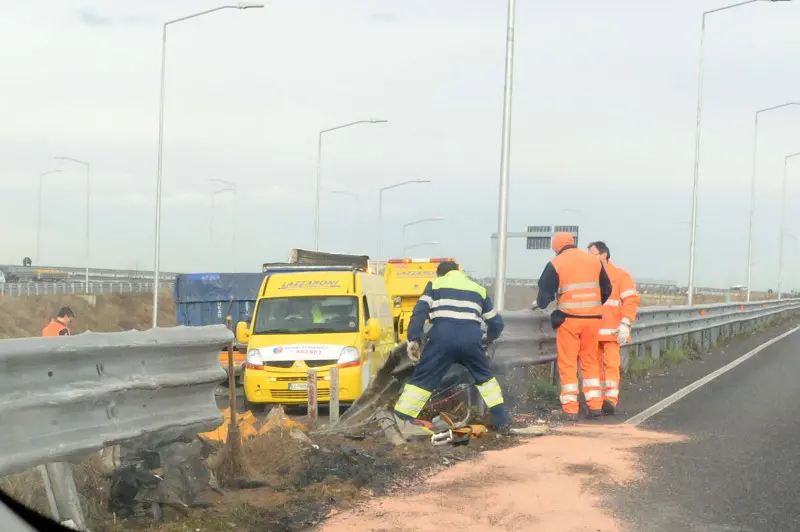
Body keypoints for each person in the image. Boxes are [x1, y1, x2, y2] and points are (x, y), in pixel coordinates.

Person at [393, 261, 512, 433]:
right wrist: (488, 338)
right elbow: (496, 322)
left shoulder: (435, 284)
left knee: (423, 379)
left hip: (442, 339)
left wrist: (414, 339)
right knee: (486, 380)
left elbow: (419, 312)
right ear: (458, 271)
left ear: (440, 274)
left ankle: (401, 420)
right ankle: (502, 422)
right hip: (471, 340)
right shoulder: (478, 288)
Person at [536, 232, 612, 420]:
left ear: (556, 247)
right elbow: (607, 288)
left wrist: (547, 307)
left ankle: (570, 409)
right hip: (593, 319)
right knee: (590, 361)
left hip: (569, 320)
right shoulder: (593, 261)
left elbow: (544, 297)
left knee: (568, 362)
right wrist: (592, 306)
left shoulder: (556, 263)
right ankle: (595, 406)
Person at [588, 241, 640, 415]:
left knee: (611, 366)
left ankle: (610, 400)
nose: (589, 257)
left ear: (604, 254)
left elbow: (631, 301)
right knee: (592, 367)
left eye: (593, 254)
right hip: (592, 331)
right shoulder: (589, 274)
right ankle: (596, 401)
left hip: (612, 332)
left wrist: (626, 322)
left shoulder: (620, 275)